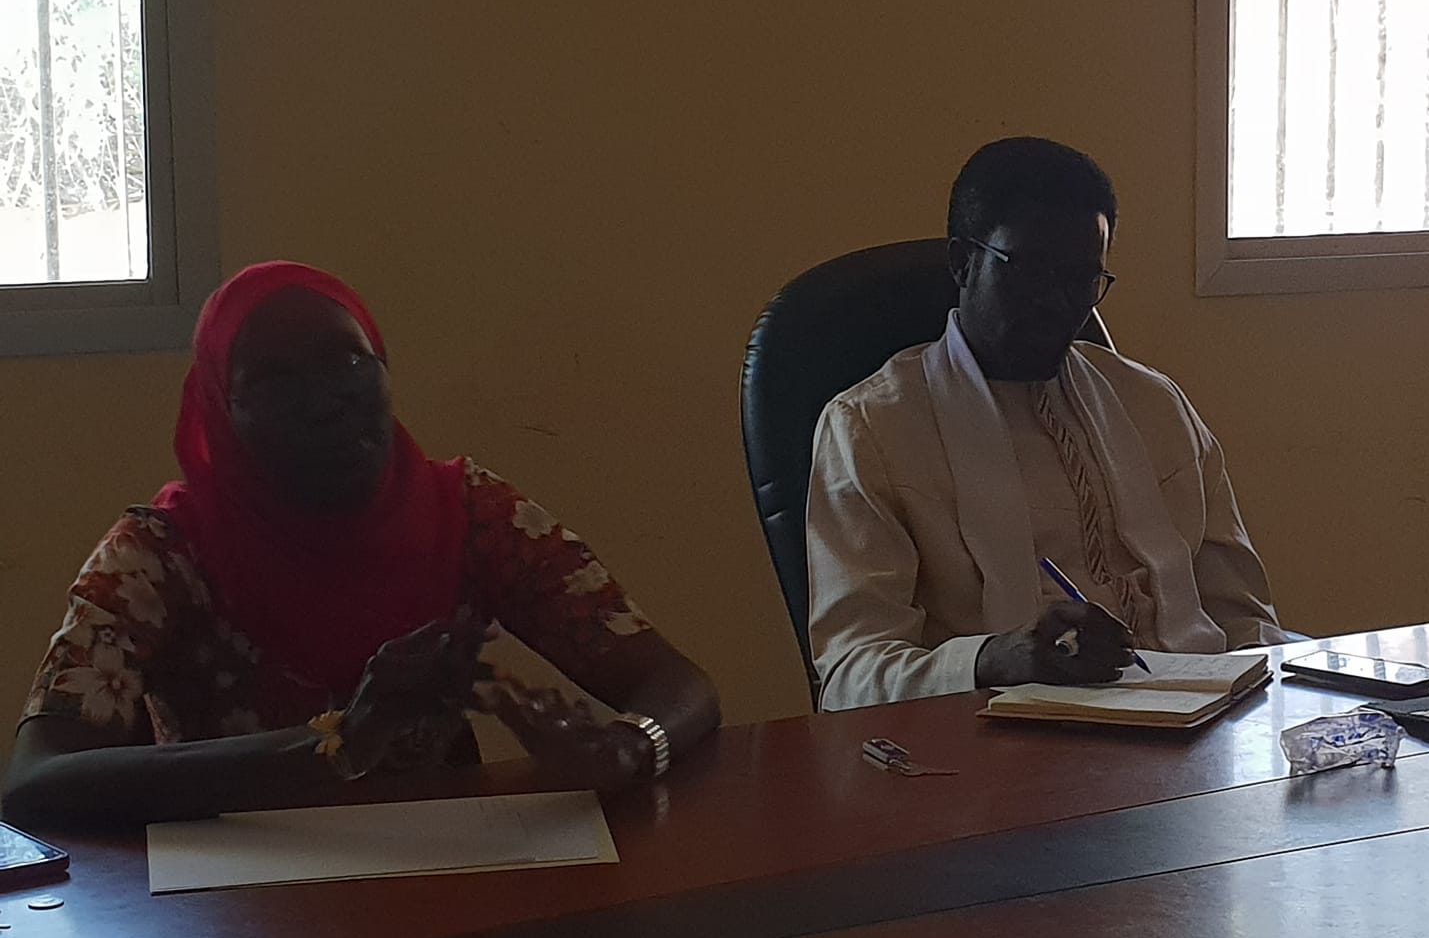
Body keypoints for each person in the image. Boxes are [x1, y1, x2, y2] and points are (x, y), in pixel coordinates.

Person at [4, 262, 720, 829]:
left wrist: (629, 747)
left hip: (441, 888)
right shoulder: (160, 556)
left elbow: (678, 684)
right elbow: (37, 782)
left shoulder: (468, 514)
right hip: (233, 907)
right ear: (220, 410)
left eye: (348, 362)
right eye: (273, 380)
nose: (322, 402)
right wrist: (335, 746)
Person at [806, 137, 1291, 711]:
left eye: (1082, 279)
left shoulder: (1155, 406)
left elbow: (1245, 626)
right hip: (1002, 742)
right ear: (962, 262)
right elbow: (851, 676)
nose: (1057, 303)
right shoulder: (871, 430)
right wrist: (993, 659)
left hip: (1200, 728)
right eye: (1032, 272)